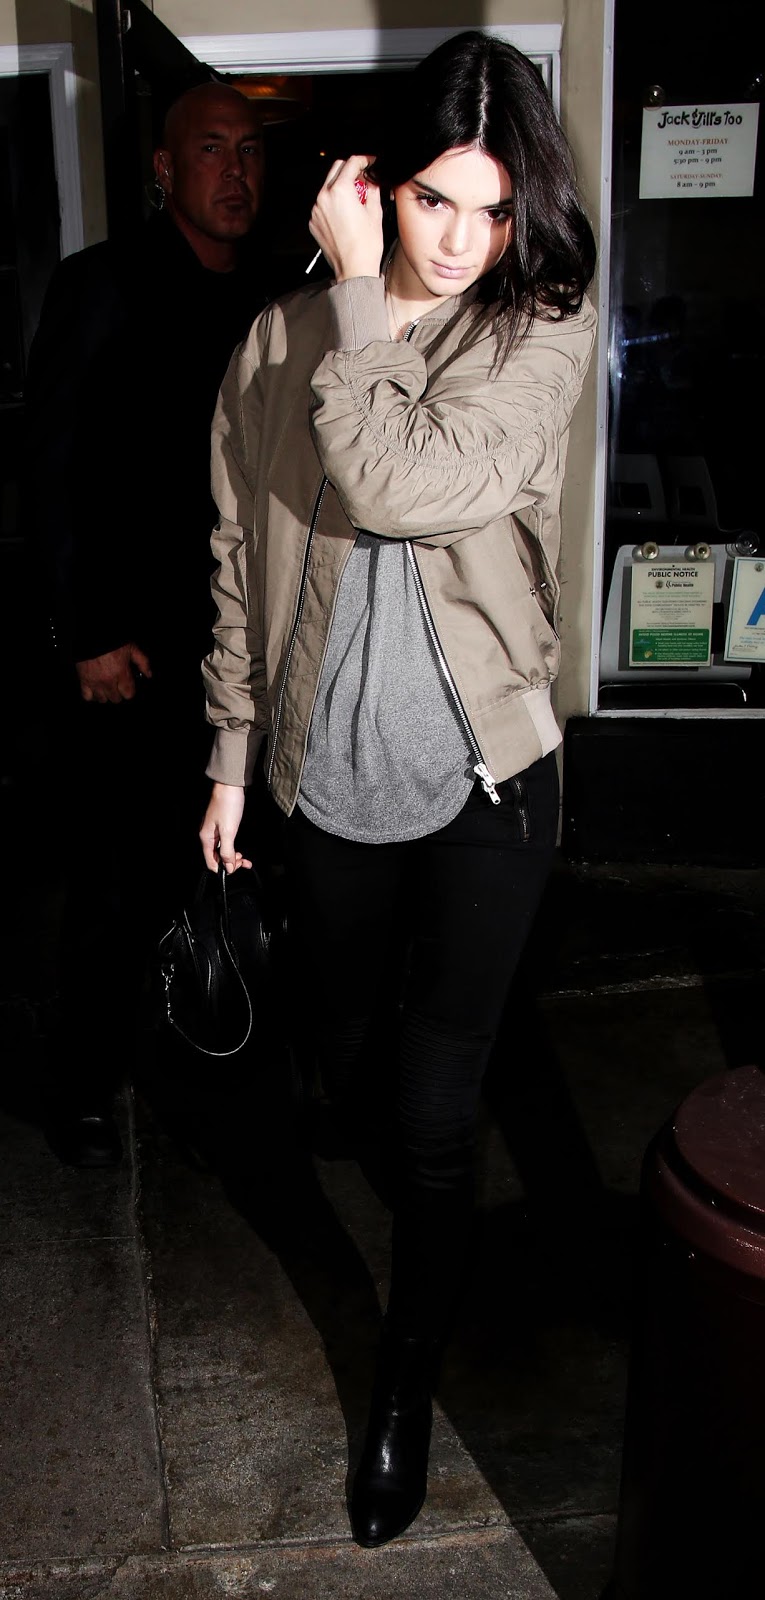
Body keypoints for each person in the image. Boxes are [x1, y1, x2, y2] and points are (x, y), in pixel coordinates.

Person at [199, 31, 596, 1548]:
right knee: (352, 1061)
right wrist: (230, 754)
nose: (460, 239)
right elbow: (238, 558)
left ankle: (403, 1391)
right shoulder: (276, 340)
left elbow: (397, 483)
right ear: (375, 183)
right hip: (328, 782)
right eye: (435, 199)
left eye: (492, 209)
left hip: (492, 783)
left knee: (433, 1114)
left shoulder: (537, 331)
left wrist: (362, 297)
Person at [24, 82, 268, 1166]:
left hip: (240, 648)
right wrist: (82, 629)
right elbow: (52, 467)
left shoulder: (275, 299)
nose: (236, 171)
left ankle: (210, 1053)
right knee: (114, 882)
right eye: (211, 148)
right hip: (128, 649)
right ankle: (80, 1082)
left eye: (250, 150)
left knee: (227, 869)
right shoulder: (103, 283)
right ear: (165, 169)